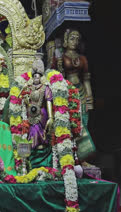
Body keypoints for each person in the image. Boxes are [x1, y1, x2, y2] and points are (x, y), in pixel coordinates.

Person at [52, 29, 95, 161]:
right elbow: (55, 76)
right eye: (72, 38)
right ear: (65, 40)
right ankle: (67, 157)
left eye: (77, 39)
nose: (74, 41)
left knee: (83, 123)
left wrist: (89, 98)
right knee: (67, 123)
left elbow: (86, 79)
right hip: (66, 91)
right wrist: (59, 68)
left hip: (80, 91)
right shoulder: (60, 57)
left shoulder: (82, 58)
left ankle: (83, 159)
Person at [20, 59, 54, 168]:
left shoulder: (45, 88)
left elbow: (48, 102)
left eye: (38, 76)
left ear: (41, 77)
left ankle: (40, 152)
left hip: (42, 115)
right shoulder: (28, 88)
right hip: (30, 114)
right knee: (31, 131)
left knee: (39, 133)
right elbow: (22, 100)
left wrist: (51, 117)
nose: (36, 78)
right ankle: (29, 158)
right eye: (34, 76)